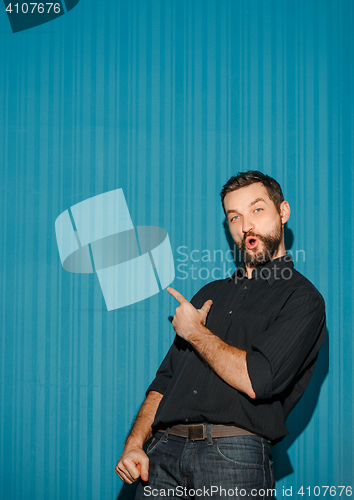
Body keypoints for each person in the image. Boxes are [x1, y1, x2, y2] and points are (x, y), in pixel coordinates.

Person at [115, 171, 326, 499]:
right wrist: (134, 445)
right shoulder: (207, 295)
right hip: (161, 455)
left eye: (257, 210)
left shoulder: (302, 298)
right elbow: (162, 385)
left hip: (234, 456)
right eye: (234, 217)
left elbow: (257, 379)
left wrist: (195, 332)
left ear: (283, 212)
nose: (246, 227)